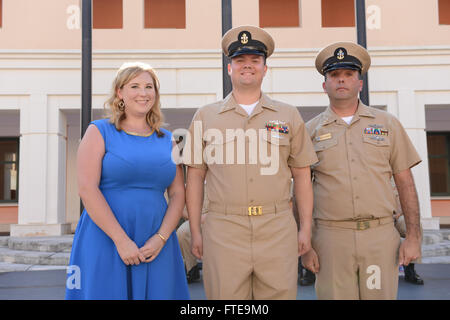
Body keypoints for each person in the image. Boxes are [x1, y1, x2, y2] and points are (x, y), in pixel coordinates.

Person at [184, 25, 318, 300]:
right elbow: (195, 177)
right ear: (229, 68)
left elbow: (302, 176)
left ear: (265, 68)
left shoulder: (288, 115)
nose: (248, 66)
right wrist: (196, 230)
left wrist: (305, 228)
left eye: (255, 61)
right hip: (223, 229)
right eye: (240, 61)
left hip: (277, 227)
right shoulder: (205, 116)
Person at [302, 42, 422, 300]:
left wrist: (413, 236)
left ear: (360, 83)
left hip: (379, 239)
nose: (341, 80)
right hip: (330, 240)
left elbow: (406, 183)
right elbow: (299, 191)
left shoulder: (387, 124)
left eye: (348, 75)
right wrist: (304, 246)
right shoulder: (308, 131)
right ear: (325, 85)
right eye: (334, 75)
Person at [66, 62, 190, 300]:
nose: (143, 93)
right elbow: (87, 188)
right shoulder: (99, 131)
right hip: (106, 237)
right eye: (134, 86)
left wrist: (161, 238)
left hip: (157, 241)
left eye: (148, 87)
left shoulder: (169, 140)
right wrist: (121, 240)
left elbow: (177, 193)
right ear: (120, 92)